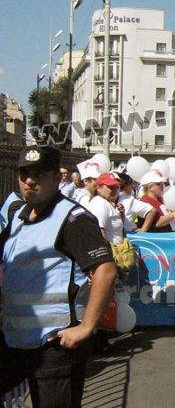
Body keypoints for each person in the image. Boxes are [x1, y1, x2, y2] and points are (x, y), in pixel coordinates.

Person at [0, 145, 117, 407]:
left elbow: (105, 270)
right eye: (24, 174)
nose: (30, 181)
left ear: (57, 178)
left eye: (39, 175)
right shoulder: (17, 216)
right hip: (15, 340)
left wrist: (86, 327)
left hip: (55, 344)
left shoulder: (73, 219)